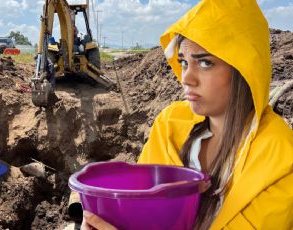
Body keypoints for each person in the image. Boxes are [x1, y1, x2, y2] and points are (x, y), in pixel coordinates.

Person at [81, 0, 293, 229]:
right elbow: (138, 214)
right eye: (183, 62)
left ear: (244, 68)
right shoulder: (169, 125)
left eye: (205, 63)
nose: (186, 79)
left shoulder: (280, 158)